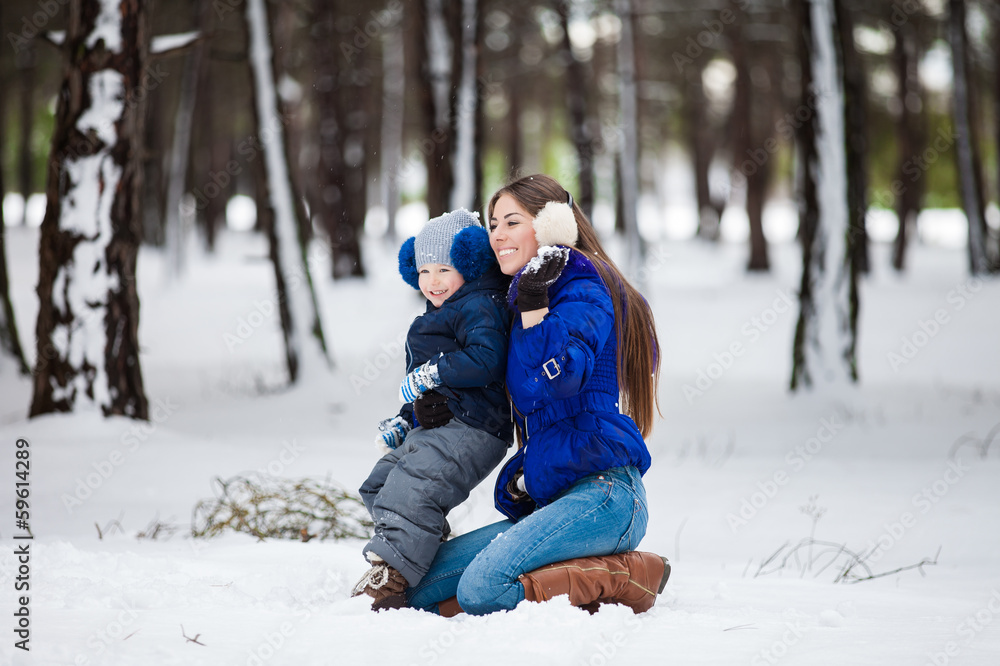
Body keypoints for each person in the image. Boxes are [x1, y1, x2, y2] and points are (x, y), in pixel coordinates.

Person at [406, 174, 670, 616]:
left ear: (552, 224)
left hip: (605, 495)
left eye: (512, 222)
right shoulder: (516, 301)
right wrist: (434, 406)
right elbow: (490, 391)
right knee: (421, 588)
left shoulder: (584, 287)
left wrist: (534, 305)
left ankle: (628, 573)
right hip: (552, 497)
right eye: (493, 224)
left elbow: (563, 377)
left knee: (482, 589)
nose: (498, 235)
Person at [353, 209, 513, 611]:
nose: (432, 281)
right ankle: (424, 551)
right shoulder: (443, 310)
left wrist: (432, 372)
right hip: (443, 424)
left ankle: (392, 577)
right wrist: (405, 418)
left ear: (470, 263)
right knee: (378, 485)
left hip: (475, 425)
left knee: (412, 487)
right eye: (424, 271)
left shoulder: (481, 304)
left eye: (444, 269)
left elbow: (488, 358)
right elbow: (428, 388)